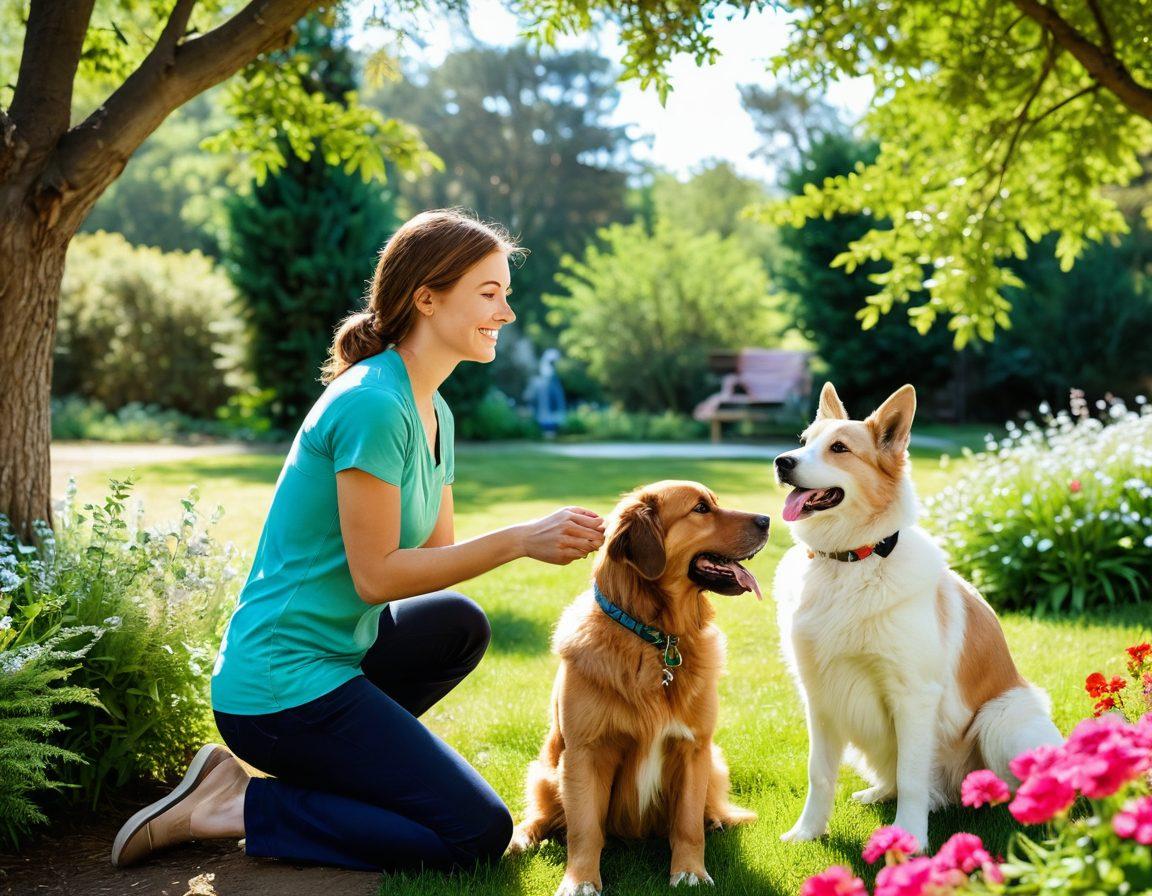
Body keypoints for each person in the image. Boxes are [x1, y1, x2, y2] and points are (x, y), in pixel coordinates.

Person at [110, 209, 606, 873]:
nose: (506, 313)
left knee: (457, 624)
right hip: (277, 687)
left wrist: (535, 537)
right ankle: (233, 806)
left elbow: (431, 561)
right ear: (426, 298)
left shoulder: (435, 407)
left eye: (505, 295)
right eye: (490, 293)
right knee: (475, 834)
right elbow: (377, 578)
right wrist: (520, 538)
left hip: (336, 659)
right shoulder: (373, 402)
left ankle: (343, 768)